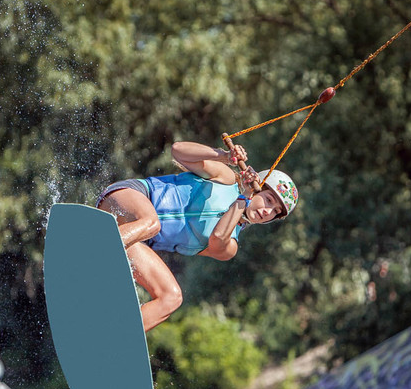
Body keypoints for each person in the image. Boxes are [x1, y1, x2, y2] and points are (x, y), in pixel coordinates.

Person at [96, 141, 299, 331]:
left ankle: (115, 337)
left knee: (171, 297)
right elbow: (177, 150)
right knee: (152, 223)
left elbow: (218, 237)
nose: (267, 211)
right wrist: (223, 156)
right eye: (269, 200)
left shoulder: (230, 247)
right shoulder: (226, 178)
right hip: (129, 197)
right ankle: (87, 249)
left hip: (131, 240)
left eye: (275, 212)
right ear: (258, 188)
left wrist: (243, 198)